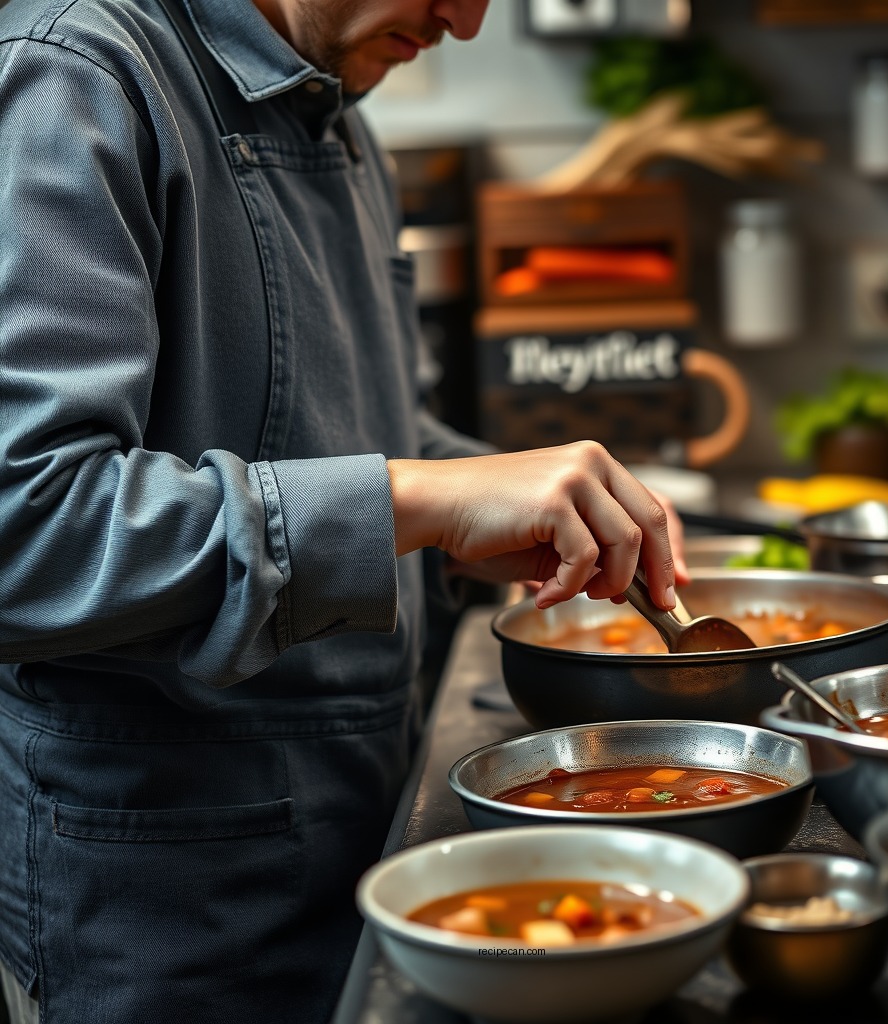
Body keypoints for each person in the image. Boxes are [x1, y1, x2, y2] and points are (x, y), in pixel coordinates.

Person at [0, 1, 689, 1022]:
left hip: (368, 838)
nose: (464, 21)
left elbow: (361, 435)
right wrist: (423, 500)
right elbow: (29, 532)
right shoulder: (75, 74)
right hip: (178, 911)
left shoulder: (346, 119)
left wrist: (503, 495)